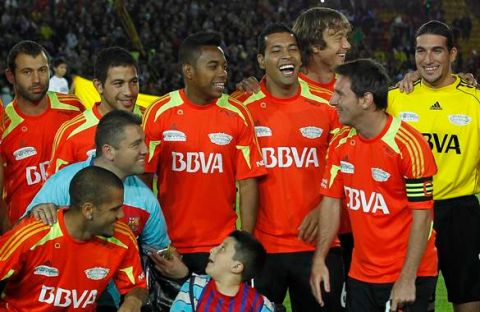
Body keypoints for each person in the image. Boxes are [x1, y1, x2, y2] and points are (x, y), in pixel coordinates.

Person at [24, 110, 188, 309]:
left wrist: (181, 271)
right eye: (136, 144)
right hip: (52, 297)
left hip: (111, 301)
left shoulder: (145, 200)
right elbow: (23, 235)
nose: (146, 150)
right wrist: (36, 212)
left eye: (144, 142)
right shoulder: (64, 183)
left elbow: (161, 253)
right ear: (109, 151)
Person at [310, 59, 438, 312]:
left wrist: (407, 278)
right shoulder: (340, 144)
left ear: (366, 99)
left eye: (340, 94)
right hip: (361, 274)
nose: (332, 101)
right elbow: (331, 202)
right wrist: (319, 259)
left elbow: (422, 216)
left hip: (408, 273)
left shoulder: (407, 145)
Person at [233, 23, 343, 311]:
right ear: (261, 60)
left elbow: (348, 164)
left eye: (292, 49)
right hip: (264, 249)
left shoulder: (328, 105)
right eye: (277, 50)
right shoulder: (242, 108)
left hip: (318, 245)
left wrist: (323, 209)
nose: (287, 56)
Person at [142, 31, 266, 275]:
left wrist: (242, 243)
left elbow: (249, 183)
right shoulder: (159, 112)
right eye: (213, 66)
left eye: (224, 66)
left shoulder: (238, 114)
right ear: (189, 71)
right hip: (171, 244)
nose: (223, 73)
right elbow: (144, 180)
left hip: (222, 246)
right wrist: (157, 241)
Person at [388, 20, 480, 312]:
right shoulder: (396, 98)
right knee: (413, 299)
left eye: (436, 51)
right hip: (409, 211)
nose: (428, 59)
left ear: (452, 54)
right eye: (420, 51)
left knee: (468, 297)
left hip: (460, 211)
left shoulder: (474, 100)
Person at [0, 166, 147, 311]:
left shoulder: (122, 236)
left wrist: (132, 302)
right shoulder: (33, 235)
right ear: (88, 210)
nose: (121, 215)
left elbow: (137, 286)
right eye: (114, 209)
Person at [1, 40, 84, 228]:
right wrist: (9, 236)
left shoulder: (73, 108)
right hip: (25, 233)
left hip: (72, 229)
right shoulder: (3, 125)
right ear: (10, 76)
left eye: (42, 70)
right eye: (27, 72)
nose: (37, 79)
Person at [47, 47, 144, 176]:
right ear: (99, 86)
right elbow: (55, 192)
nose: (129, 92)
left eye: (134, 82)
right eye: (118, 84)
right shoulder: (71, 134)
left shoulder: (152, 120)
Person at [171, 230, 274, 312]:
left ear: (236, 267)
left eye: (223, 248)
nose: (212, 250)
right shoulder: (194, 288)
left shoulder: (259, 305)